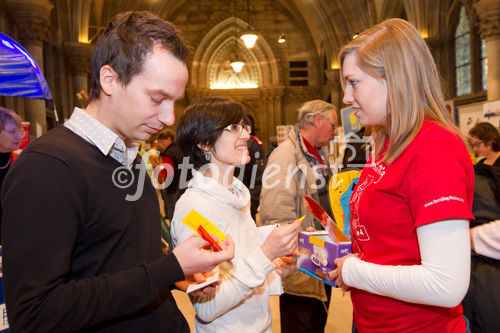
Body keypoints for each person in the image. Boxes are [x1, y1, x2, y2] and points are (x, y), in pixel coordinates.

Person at [1, 11, 235, 332]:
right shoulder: (47, 167)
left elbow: (117, 265)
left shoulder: (130, 157)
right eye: (157, 98)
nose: (169, 117)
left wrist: (174, 274)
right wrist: (167, 268)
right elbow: (36, 314)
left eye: (174, 101)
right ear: (110, 80)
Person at [329, 18, 474, 332]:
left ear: (393, 78)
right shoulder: (387, 142)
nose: (346, 98)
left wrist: (354, 271)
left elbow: (446, 283)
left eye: (353, 82)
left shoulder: (434, 148)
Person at [170, 97, 301, 332]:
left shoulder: (237, 195)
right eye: (233, 128)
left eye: (245, 126)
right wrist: (266, 254)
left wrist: (275, 263)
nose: (245, 135)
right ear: (203, 143)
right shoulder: (194, 208)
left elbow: (239, 268)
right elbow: (207, 308)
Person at [259, 99, 337, 333]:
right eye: (333, 125)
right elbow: (276, 212)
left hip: (323, 254)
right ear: (317, 120)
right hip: (301, 259)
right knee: (300, 323)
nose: (334, 132)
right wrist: (294, 252)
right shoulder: (285, 156)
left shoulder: (318, 153)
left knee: (316, 321)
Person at [234, 114, 267, 221]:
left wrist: (251, 205)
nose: (245, 135)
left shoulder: (253, 144)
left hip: (246, 202)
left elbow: (258, 177)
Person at [0, 107, 23, 243]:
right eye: (12, 132)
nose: (19, 137)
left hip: (13, 237)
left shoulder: (20, 162)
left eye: (19, 131)